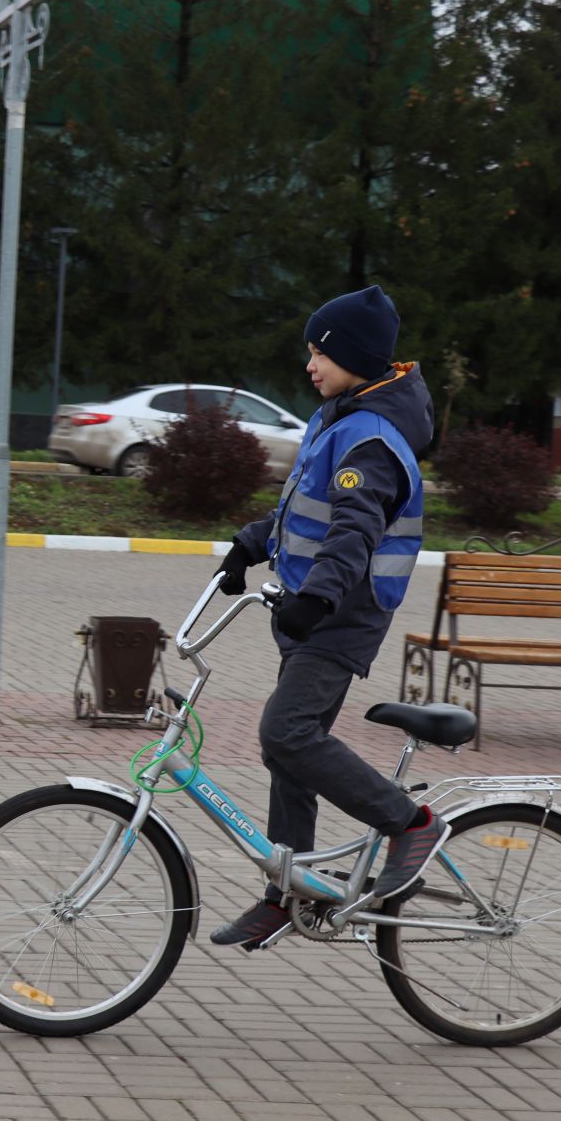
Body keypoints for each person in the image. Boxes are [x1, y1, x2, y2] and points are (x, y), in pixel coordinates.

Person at [207, 284, 451, 949]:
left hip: (342, 614)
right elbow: (300, 507)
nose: (310, 363)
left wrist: (318, 598)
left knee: (286, 732)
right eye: (310, 350)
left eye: (321, 351)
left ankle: (410, 824)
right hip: (312, 610)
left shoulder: (371, 436)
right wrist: (249, 544)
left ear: (357, 356)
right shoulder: (339, 417)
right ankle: (290, 890)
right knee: (288, 752)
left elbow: (354, 531)